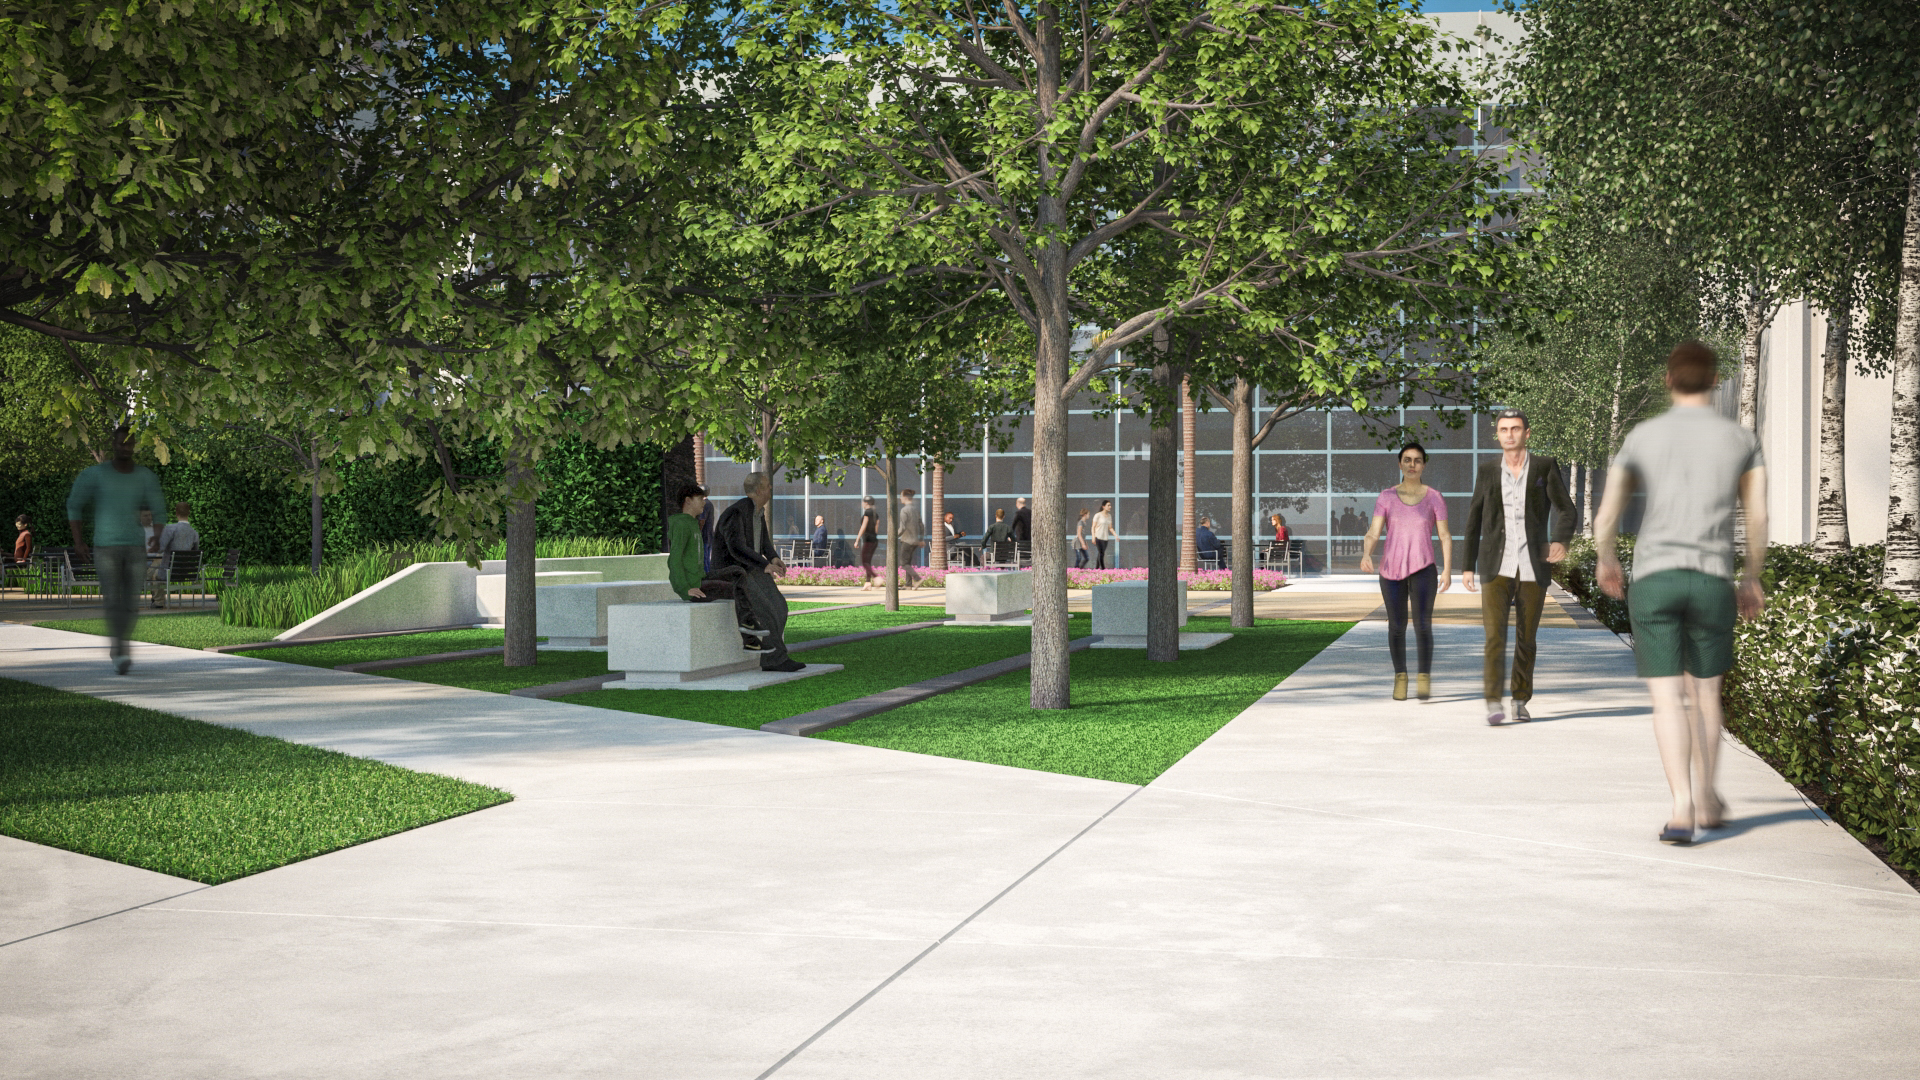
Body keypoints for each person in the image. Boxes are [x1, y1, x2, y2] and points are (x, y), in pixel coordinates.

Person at [1595, 342, 1766, 845]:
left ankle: (1681, 808)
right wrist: (1751, 575)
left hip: (1655, 579)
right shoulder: (1741, 439)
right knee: (1706, 695)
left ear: (1670, 380)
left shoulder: (1642, 436)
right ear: (1715, 382)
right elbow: (1756, 518)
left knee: (1667, 699)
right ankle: (1710, 797)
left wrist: (1607, 558)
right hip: (1711, 578)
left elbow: (1607, 515)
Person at [1464, 409, 1576, 725]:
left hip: (1532, 567)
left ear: (1527, 433)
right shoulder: (1486, 471)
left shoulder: (1544, 466)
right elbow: (1473, 519)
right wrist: (1467, 566)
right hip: (1494, 566)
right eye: (1503, 429)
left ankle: (1520, 699)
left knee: (1526, 638)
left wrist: (1561, 540)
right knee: (1494, 637)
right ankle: (1492, 702)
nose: (1509, 434)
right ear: (1497, 435)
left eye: (1515, 428)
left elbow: (1567, 510)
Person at [67, 425, 168, 674]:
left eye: (130, 443)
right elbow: (74, 504)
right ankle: (120, 650)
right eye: (121, 443)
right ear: (114, 444)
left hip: (135, 547)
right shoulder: (95, 474)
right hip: (105, 547)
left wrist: (156, 535)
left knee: (132, 603)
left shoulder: (145, 476)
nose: (125, 447)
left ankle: (120, 646)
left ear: (135, 445)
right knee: (113, 601)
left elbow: (159, 507)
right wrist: (78, 541)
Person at [1360, 443, 1453, 701]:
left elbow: (1445, 536)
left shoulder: (1435, 497)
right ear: (1399, 464)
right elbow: (1373, 531)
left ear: (1424, 465)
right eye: (1408, 460)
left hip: (1424, 569)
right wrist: (1367, 553)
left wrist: (1446, 570)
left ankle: (1424, 676)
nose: (1412, 465)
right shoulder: (1386, 497)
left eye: (1418, 460)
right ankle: (1400, 676)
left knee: (1423, 626)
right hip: (1391, 571)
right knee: (1397, 626)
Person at [712, 473, 804, 672]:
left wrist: (772, 558)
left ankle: (773, 659)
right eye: (768, 486)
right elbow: (736, 548)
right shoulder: (735, 513)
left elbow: (763, 543)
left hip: (751, 568)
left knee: (780, 606)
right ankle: (776, 659)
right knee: (768, 610)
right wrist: (764, 565)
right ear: (759, 490)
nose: (771, 489)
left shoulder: (758, 513)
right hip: (734, 572)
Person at [667, 484, 763, 649]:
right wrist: (684, 588)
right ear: (688, 501)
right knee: (739, 590)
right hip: (695, 586)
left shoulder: (692, 523)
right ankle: (750, 639)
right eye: (700, 499)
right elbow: (674, 559)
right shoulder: (682, 525)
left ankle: (749, 626)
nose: (704, 502)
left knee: (738, 572)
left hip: (702, 576)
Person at [149, 502, 200, 607]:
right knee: (156, 564)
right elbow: (195, 552)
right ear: (189, 513)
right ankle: (155, 598)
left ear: (176, 513)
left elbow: (161, 548)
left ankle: (158, 601)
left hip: (168, 571)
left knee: (154, 573)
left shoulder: (170, 529)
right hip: (184, 571)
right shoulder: (194, 533)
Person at [896, 488, 923, 589]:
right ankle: (908, 584)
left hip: (907, 540)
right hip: (915, 541)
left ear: (905, 497)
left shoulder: (904, 510)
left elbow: (902, 528)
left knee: (903, 563)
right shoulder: (915, 510)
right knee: (908, 563)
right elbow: (921, 525)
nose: (900, 498)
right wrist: (921, 538)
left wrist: (894, 536)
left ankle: (917, 579)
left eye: (901, 496)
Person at [855, 495, 880, 590]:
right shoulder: (875, 514)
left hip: (868, 540)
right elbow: (876, 528)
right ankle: (867, 583)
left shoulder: (867, 512)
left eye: (863, 502)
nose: (862, 504)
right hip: (874, 540)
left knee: (864, 561)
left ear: (867, 503)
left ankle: (876, 577)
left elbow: (864, 526)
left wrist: (857, 539)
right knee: (868, 562)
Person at [1090, 499, 1115, 569]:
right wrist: (1093, 537)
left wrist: (1115, 535)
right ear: (1103, 506)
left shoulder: (1109, 516)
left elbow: (1110, 528)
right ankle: (1103, 569)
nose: (1110, 507)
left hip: (1105, 538)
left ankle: (1097, 568)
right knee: (1101, 553)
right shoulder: (1097, 515)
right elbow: (1093, 527)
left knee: (1100, 553)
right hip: (1098, 537)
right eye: (1108, 505)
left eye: (1110, 505)